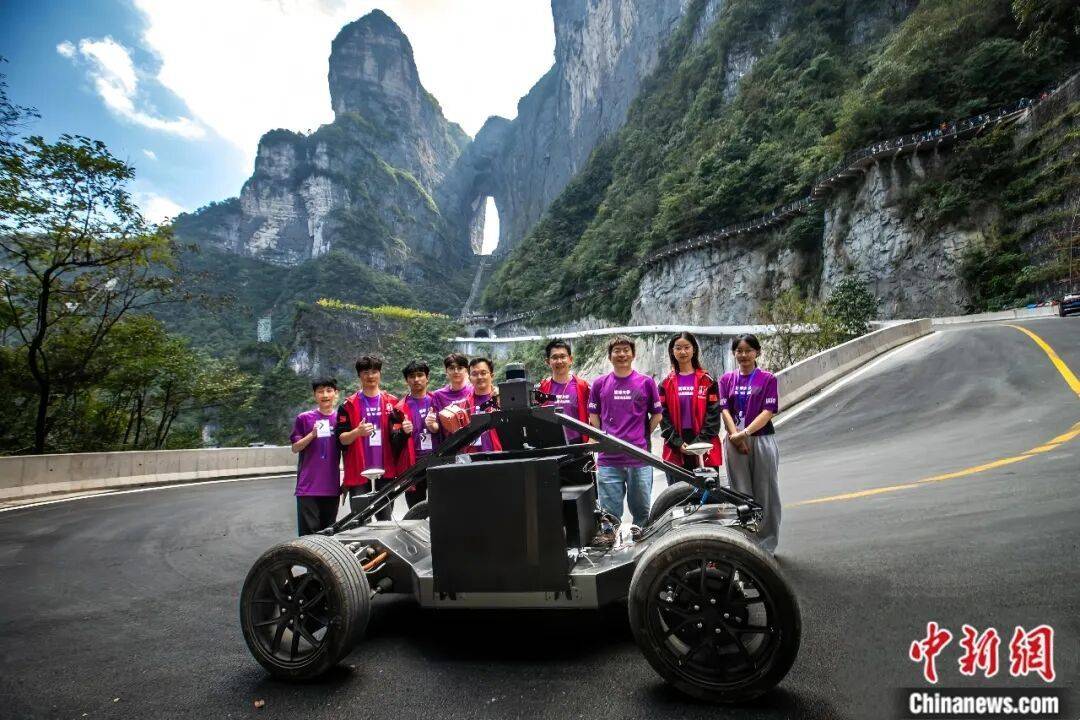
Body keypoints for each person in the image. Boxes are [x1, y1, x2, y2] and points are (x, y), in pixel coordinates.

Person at [588, 336, 663, 529]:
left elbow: (657, 414)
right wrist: (602, 437)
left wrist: (642, 435)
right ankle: (611, 546)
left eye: (626, 350)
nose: (622, 354)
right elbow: (593, 415)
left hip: (639, 458)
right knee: (609, 518)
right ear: (610, 356)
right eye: (617, 351)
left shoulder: (646, 382)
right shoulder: (600, 384)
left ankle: (642, 546)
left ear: (633, 354)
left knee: (642, 516)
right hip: (608, 460)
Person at [719, 334, 781, 553]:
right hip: (734, 441)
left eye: (748, 350)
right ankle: (746, 543)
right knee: (739, 492)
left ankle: (767, 544)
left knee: (766, 492)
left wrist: (744, 433)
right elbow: (725, 410)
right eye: (739, 351)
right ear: (734, 353)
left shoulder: (767, 379)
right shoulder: (726, 380)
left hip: (761, 439)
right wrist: (735, 437)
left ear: (757, 352)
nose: (744, 355)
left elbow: (768, 411)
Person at [335, 355, 399, 521]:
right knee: (360, 520)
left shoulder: (393, 403)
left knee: (385, 520)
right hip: (359, 472)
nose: (370, 376)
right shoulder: (348, 405)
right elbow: (341, 439)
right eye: (365, 372)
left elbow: (400, 439)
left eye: (374, 371)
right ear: (359, 375)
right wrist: (357, 432)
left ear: (380, 373)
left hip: (385, 471)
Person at [658, 332, 722, 485]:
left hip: (704, 445)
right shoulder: (665, 384)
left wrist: (698, 444)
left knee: (707, 494)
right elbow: (663, 417)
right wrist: (677, 443)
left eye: (687, 347)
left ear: (694, 349)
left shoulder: (708, 381)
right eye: (678, 348)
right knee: (678, 495)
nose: (683, 352)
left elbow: (713, 417)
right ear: (672, 351)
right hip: (676, 446)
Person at [290, 377, 342, 535]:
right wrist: (312, 434)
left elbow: (347, 450)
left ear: (336, 393)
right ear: (315, 395)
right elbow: (295, 447)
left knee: (328, 536)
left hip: (331, 488)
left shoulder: (340, 420)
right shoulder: (304, 418)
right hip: (308, 489)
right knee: (308, 537)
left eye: (329, 391)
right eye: (320, 391)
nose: (325, 395)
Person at [391, 360, 434, 508]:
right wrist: (403, 432)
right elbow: (393, 442)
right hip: (413, 466)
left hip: (436, 461)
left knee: (440, 508)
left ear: (427, 378)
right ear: (406, 380)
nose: (416, 379)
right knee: (415, 511)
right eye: (411, 376)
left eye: (420, 375)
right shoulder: (398, 409)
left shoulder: (437, 401)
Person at [537, 339, 590, 443]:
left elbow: (595, 414)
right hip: (551, 444)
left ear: (570, 359)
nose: (559, 361)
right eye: (554, 357)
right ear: (548, 362)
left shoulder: (582, 386)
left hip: (578, 443)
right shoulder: (542, 388)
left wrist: (592, 438)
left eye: (563, 356)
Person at [425, 352, 471, 444]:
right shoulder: (438, 395)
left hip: (474, 445)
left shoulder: (474, 390)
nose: (456, 371)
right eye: (451, 368)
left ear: (466, 370)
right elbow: (436, 428)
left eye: (460, 368)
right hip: (450, 446)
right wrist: (430, 424)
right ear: (446, 371)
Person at [463, 356, 502, 453]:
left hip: (500, 454)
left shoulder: (502, 398)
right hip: (473, 457)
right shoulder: (465, 405)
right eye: (474, 374)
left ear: (492, 375)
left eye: (483, 373)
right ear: (469, 378)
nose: (479, 377)